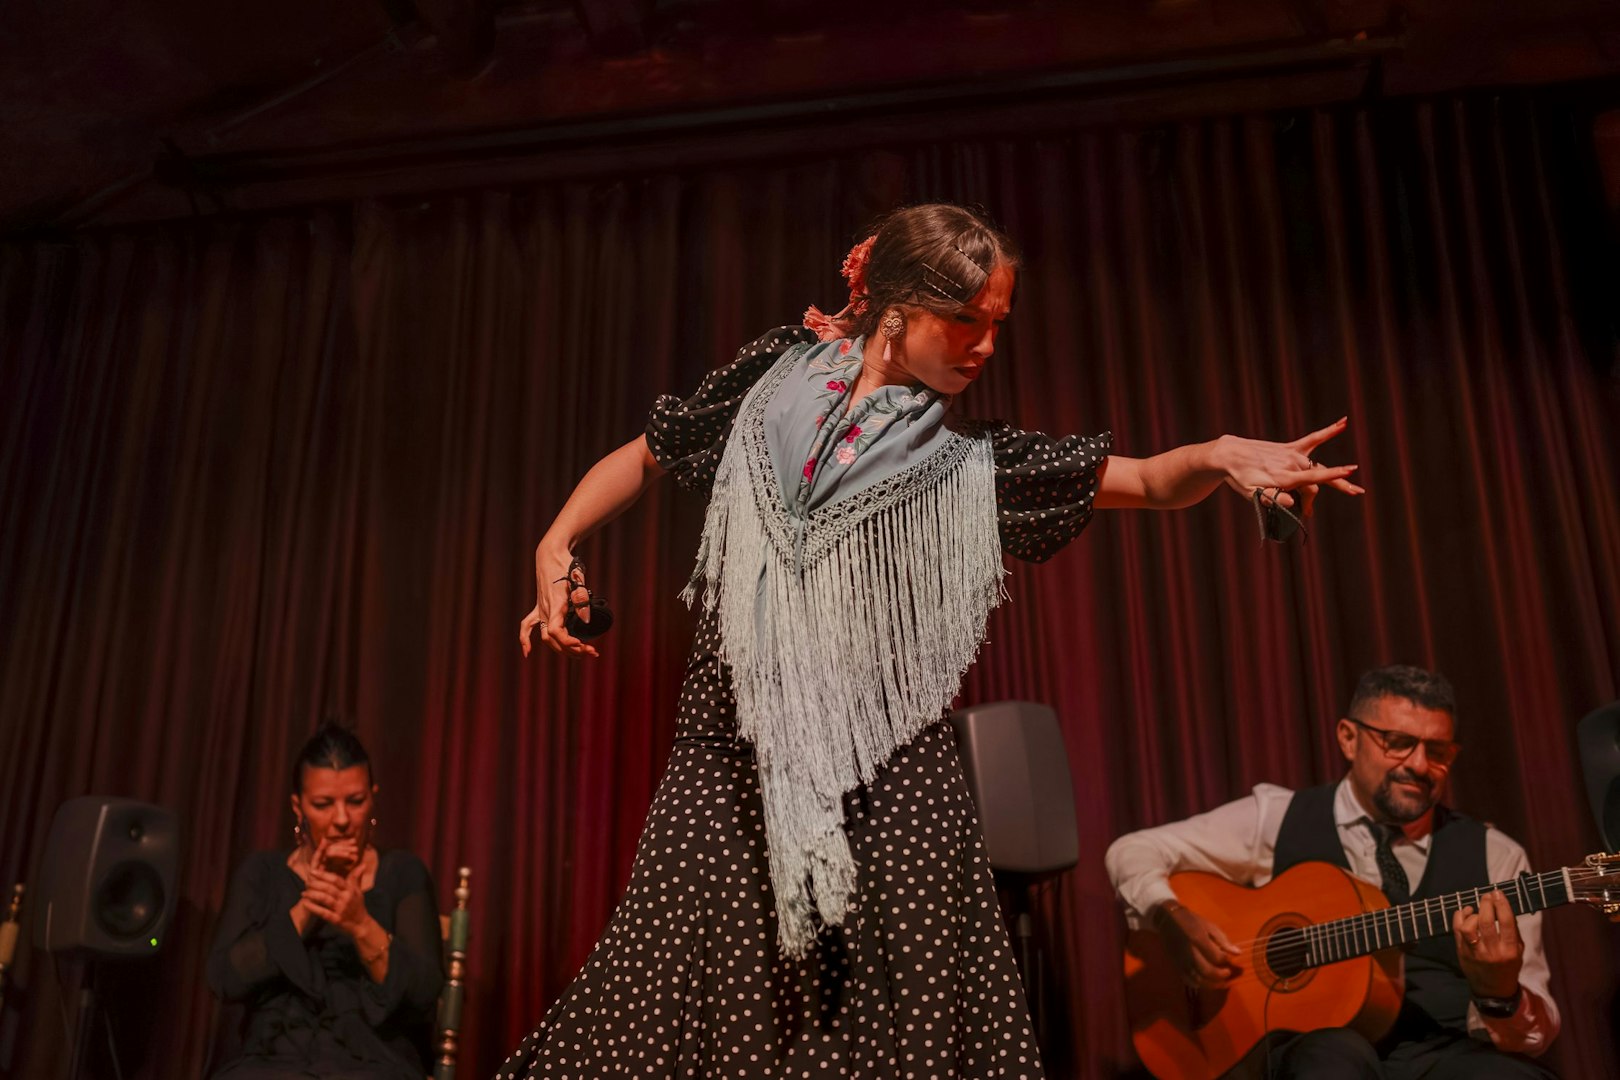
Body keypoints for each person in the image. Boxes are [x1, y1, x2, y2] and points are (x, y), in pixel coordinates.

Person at [501, 202, 1362, 1078]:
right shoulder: (772, 383)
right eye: (966, 321)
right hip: (727, 763)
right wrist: (556, 541)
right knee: (662, 1006)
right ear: (897, 306)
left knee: (873, 1037)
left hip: (886, 791)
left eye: (998, 324)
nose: (986, 345)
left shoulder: (971, 464)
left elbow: (1143, 479)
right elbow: (651, 451)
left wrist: (1219, 457)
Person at [1105, 664, 1560, 1079]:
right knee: (1333, 1057)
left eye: (1437, 751)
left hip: (1439, 1056)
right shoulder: (1277, 817)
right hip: (1309, 1053)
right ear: (1348, 738)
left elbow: (1534, 1038)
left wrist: (1498, 993)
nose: (1420, 766)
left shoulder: (1496, 856)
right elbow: (1132, 849)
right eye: (1399, 743)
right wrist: (1166, 916)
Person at [207, 723, 445, 1080]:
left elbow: (424, 992)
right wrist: (307, 908)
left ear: (373, 798)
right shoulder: (262, 872)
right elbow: (224, 978)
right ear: (298, 806)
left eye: (355, 801)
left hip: (373, 1061)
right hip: (273, 1059)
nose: (342, 820)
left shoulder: (402, 873)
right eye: (323, 804)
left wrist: (361, 924)